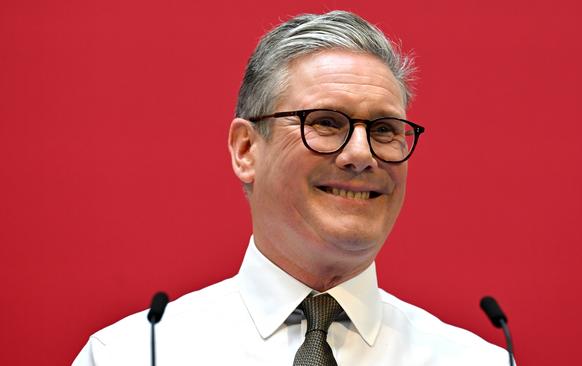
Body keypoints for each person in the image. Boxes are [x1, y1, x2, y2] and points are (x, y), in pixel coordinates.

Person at [73, 10, 508, 365]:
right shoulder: (133, 355)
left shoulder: (475, 361)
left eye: (384, 129)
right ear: (246, 149)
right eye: (325, 122)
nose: (361, 153)